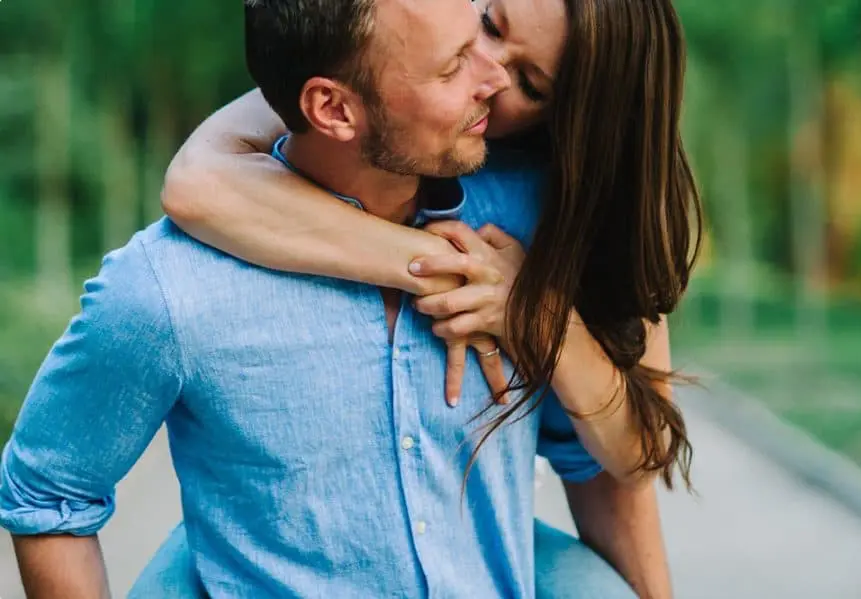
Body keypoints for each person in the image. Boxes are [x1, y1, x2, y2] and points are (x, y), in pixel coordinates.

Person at [0, 0, 692, 597]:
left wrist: (535, 310)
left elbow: (621, 464)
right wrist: (427, 266)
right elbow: (47, 490)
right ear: (332, 105)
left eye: (528, 80)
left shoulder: (541, 230)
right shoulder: (173, 287)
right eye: (467, 47)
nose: (486, 76)